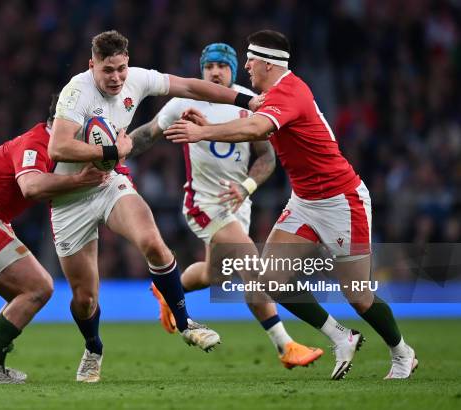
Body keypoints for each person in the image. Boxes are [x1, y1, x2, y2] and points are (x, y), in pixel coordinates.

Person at [164, 30, 418, 380]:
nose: (247, 66)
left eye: (250, 59)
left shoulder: (290, 91)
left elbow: (255, 130)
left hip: (341, 200)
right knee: (269, 280)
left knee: (358, 296)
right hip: (304, 201)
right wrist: (210, 125)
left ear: (268, 62)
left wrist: (202, 133)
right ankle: (340, 336)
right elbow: (257, 127)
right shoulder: (272, 94)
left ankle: (402, 353)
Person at [47, 30, 261, 383]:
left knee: (152, 242)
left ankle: (184, 321)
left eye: (121, 69)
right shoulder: (76, 91)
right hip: (70, 197)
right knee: (85, 299)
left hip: (107, 184)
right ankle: (94, 347)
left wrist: (244, 100)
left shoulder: (139, 79)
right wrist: (113, 152)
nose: (116, 78)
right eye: (108, 71)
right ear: (92, 66)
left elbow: (192, 87)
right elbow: (58, 148)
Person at [129, 42, 323, 369]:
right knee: (251, 266)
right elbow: (148, 134)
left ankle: (166, 289)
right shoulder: (183, 103)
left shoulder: (248, 106)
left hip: (236, 204)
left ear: (233, 70)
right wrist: (115, 152)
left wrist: (246, 186)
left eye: (222, 66)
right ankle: (285, 346)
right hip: (203, 204)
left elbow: (266, 158)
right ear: (202, 70)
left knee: (213, 274)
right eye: (209, 66)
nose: (215, 72)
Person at [0, 122, 109, 384]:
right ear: (63, 121)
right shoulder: (36, 142)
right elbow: (30, 187)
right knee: (39, 288)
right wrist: (78, 181)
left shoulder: (49, 145)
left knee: (23, 298)